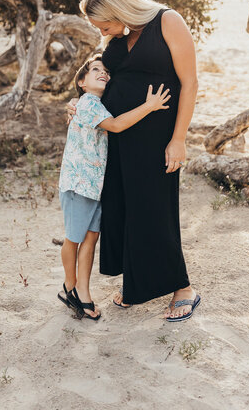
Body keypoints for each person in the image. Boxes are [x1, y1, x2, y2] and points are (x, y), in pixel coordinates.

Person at [67, 0, 200, 322]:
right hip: (115, 135)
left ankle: (183, 289)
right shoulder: (119, 35)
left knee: (155, 207)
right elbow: (103, 77)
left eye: (103, 24)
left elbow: (189, 82)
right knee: (122, 208)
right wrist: (82, 105)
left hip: (156, 135)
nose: (101, 31)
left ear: (119, 8)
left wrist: (179, 138)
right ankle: (137, 285)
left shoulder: (167, 21)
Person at [58, 54, 171, 320]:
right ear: (82, 82)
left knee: (90, 238)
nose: (103, 73)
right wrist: (150, 105)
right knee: (73, 239)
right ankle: (69, 286)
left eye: (106, 71)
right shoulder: (87, 104)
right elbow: (118, 126)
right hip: (78, 184)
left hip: (94, 186)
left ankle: (83, 293)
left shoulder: (96, 104)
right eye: (96, 69)